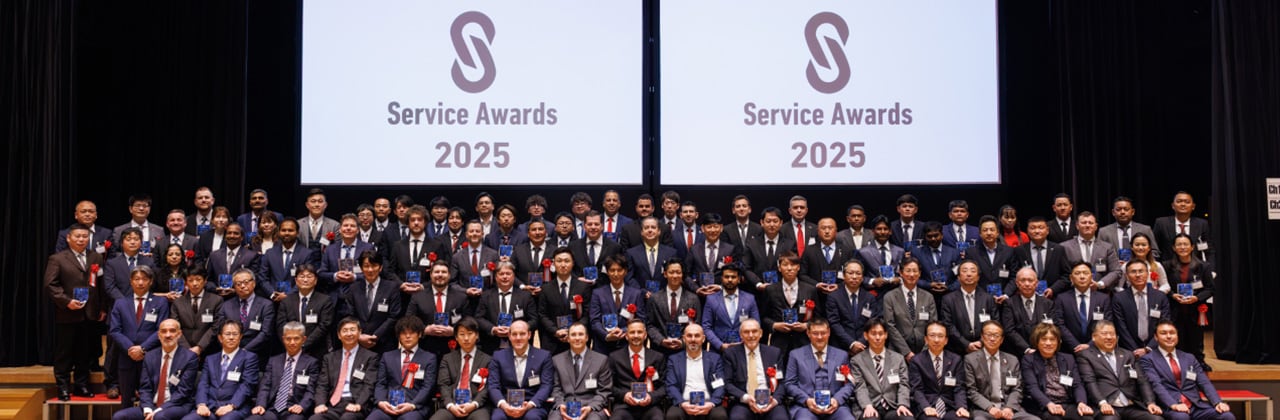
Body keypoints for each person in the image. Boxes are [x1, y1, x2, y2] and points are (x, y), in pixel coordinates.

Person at [45, 224, 108, 400]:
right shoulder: (57, 259)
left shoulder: (96, 257)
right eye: (77, 236)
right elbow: (50, 284)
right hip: (68, 313)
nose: (81, 239)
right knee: (64, 353)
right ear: (69, 238)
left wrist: (102, 307)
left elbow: (101, 284)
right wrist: (67, 302)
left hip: (90, 312)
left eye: (84, 236)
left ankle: (82, 385)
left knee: (84, 353)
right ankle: (63, 387)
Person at [1139, 322, 1234, 420]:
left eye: (1172, 333)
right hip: (1169, 407)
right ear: (1156, 337)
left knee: (1226, 416)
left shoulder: (1189, 358)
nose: (1169, 336)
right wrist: (1173, 404)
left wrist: (1217, 402)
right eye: (1163, 333)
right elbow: (1156, 385)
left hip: (1195, 406)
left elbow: (1204, 382)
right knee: (1181, 417)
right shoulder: (1148, 359)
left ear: (1177, 336)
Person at [111, 319, 200, 420]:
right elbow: (145, 388)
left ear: (179, 334)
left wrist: (160, 410)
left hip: (178, 405)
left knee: (160, 417)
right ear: (159, 335)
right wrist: (148, 409)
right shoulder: (149, 356)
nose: (168, 335)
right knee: (119, 416)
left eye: (172, 331)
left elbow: (183, 392)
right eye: (164, 331)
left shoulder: (189, 357)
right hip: (152, 405)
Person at [109, 266, 171, 408]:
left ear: (150, 281)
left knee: (150, 401)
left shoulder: (160, 302)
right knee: (126, 402)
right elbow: (115, 330)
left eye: (144, 279)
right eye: (137, 279)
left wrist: (142, 348)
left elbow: (161, 330)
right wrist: (131, 349)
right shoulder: (120, 303)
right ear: (131, 282)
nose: (140, 282)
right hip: (126, 357)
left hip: (150, 357)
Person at [1074, 321, 1163, 420]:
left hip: (1131, 405)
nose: (1109, 337)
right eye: (1104, 333)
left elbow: (1142, 381)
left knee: (1156, 418)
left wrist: (1150, 403)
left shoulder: (1128, 355)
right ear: (1094, 337)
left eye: (1112, 334)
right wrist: (1102, 402)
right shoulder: (1086, 355)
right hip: (1105, 405)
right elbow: (1090, 381)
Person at [962, 321, 1037, 420]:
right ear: (982, 337)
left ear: (1001, 340)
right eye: (989, 335)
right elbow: (971, 391)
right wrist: (989, 407)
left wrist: (1009, 407)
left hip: (1009, 408)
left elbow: (1017, 389)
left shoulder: (1012, 360)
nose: (992, 339)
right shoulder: (970, 360)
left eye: (996, 336)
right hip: (983, 409)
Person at [188, 320, 260, 420]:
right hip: (210, 406)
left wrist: (231, 405)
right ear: (220, 338)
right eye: (227, 334)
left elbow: (247, 385)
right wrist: (201, 404)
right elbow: (203, 383)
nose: (231, 337)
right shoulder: (210, 359)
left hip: (236, 408)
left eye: (235, 334)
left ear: (240, 337)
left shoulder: (249, 358)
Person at [368, 316, 437, 420]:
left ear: (419, 334)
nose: (407, 336)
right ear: (398, 336)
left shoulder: (429, 358)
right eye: (404, 333)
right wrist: (381, 402)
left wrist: (413, 405)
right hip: (388, 406)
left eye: (412, 333)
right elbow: (381, 384)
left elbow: (427, 387)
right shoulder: (387, 356)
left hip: (414, 407)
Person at [248, 322, 322, 420]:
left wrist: (302, 406)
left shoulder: (311, 363)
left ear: (303, 339)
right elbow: (265, 386)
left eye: (296, 338)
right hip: (273, 408)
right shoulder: (274, 361)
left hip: (295, 408)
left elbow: (311, 390)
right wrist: (260, 405)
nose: (292, 342)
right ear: (283, 339)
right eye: (288, 339)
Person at [783, 318, 853, 420]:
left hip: (836, 408)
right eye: (815, 333)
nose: (820, 337)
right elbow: (789, 384)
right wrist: (807, 400)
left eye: (823, 333)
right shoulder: (796, 355)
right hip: (806, 408)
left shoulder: (842, 355)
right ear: (808, 333)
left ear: (829, 332)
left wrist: (837, 400)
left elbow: (849, 384)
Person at [1019, 324, 1093, 420]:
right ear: (1036, 341)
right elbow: (1032, 387)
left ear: (1058, 342)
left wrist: (1081, 403)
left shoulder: (1068, 358)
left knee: (1086, 418)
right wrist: (1049, 404)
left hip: (1067, 403)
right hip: (1043, 405)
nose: (1048, 343)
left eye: (1052, 339)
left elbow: (1077, 384)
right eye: (1044, 339)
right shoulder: (1029, 360)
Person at [312, 318, 381, 420]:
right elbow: (322, 385)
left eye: (352, 330)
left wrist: (358, 404)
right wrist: (320, 404)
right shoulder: (329, 358)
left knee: (347, 418)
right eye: (345, 331)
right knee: (315, 419)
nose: (349, 334)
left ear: (359, 332)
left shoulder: (370, 357)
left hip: (356, 404)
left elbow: (369, 385)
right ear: (339, 335)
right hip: (333, 405)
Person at [1162, 234, 1214, 370]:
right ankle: (1176, 365)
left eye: (1185, 244)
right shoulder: (1166, 266)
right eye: (1179, 244)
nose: (1182, 247)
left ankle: (1199, 362)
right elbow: (1163, 286)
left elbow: (1210, 289)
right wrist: (1173, 295)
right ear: (1174, 248)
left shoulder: (1203, 266)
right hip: (1175, 309)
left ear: (1192, 247)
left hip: (1196, 309)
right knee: (1177, 339)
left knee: (1196, 339)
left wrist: (1197, 298)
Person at [487, 320, 555, 420]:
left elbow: (546, 386)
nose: (518, 338)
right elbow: (493, 386)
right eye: (514, 334)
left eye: (522, 334)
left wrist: (529, 405)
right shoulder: (498, 356)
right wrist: (504, 405)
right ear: (509, 336)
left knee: (532, 417)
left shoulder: (544, 356)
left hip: (532, 404)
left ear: (529, 335)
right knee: (498, 417)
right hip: (506, 403)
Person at [849, 319, 914, 420]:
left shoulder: (898, 358)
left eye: (881, 334)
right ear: (866, 335)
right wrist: (867, 405)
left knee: (907, 418)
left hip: (893, 406)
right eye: (873, 334)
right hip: (870, 405)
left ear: (886, 335)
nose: (877, 338)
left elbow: (904, 384)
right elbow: (860, 386)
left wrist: (902, 404)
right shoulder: (857, 361)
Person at [721, 319, 785, 420]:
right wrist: (746, 398)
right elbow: (727, 383)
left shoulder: (774, 353)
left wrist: (775, 400)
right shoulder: (731, 354)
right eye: (746, 332)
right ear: (741, 335)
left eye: (754, 331)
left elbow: (782, 382)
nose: (751, 335)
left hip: (771, 401)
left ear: (761, 333)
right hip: (743, 402)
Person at [431, 317, 493, 420]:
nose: (466, 338)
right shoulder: (447, 359)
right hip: (452, 406)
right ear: (456, 337)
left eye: (470, 333)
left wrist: (474, 404)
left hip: (476, 406)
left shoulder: (487, 360)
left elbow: (488, 387)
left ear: (477, 335)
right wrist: (450, 405)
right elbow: (443, 385)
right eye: (462, 334)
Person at [405, 261, 470, 359]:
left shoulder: (461, 297)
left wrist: (455, 331)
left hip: (453, 350)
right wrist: (424, 330)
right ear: (431, 275)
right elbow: (408, 320)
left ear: (449, 275)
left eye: (444, 272)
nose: (440, 275)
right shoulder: (417, 297)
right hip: (425, 348)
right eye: (436, 272)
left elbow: (469, 321)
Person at [907, 322, 970, 420]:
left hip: (950, 407)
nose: (936, 340)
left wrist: (961, 407)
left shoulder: (956, 360)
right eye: (932, 335)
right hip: (927, 406)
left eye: (940, 336)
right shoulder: (917, 361)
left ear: (946, 340)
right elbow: (917, 389)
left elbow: (959, 388)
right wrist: (926, 407)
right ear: (926, 339)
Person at [342, 251, 403, 353]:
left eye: (374, 265)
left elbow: (394, 316)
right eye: (366, 266)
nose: (370, 270)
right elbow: (350, 315)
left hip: (385, 343)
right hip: (359, 342)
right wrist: (359, 335)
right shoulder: (354, 289)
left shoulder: (392, 287)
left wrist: (376, 336)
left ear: (380, 267)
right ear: (361, 268)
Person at [664, 324, 728, 420]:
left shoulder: (715, 359)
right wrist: (682, 403)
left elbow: (720, 385)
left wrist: (711, 403)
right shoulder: (674, 359)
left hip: (708, 403)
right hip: (683, 403)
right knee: (672, 416)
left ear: (703, 339)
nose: (693, 339)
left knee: (720, 416)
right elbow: (671, 385)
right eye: (689, 336)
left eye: (697, 336)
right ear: (684, 339)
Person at [608, 319, 667, 420]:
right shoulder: (614, 357)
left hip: (650, 406)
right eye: (632, 332)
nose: (636, 335)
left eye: (639, 332)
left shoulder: (657, 357)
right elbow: (609, 385)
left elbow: (664, 386)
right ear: (626, 336)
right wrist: (624, 395)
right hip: (624, 406)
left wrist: (651, 397)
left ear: (645, 335)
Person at [539, 248, 594, 355]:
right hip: (552, 340)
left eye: (567, 261)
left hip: (577, 339)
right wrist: (555, 331)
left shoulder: (583, 287)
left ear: (573, 263)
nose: (563, 265)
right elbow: (542, 314)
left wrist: (573, 331)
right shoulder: (546, 288)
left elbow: (587, 314)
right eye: (559, 261)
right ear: (553, 264)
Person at [551, 323, 612, 420]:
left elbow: (604, 391)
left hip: (591, 407)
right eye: (573, 335)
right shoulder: (557, 360)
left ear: (587, 337)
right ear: (568, 338)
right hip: (564, 406)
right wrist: (560, 404)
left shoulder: (601, 360)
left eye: (580, 334)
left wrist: (591, 407)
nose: (577, 338)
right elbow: (556, 389)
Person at [477, 262, 540, 354]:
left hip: (519, 346)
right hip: (492, 346)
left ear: (513, 276)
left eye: (508, 273)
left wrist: (516, 329)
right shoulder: (486, 296)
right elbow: (479, 318)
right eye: (501, 274)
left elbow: (534, 320)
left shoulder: (526, 296)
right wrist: (493, 329)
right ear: (496, 277)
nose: (505, 277)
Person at [1111, 261, 1170, 359]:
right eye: (1133, 272)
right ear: (1127, 276)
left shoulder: (1160, 297)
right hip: (1128, 351)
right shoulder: (1119, 298)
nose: (1138, 275)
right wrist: (1135, 351)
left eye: (1141, 271)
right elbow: (1121, 327)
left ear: (1147, 274)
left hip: (1156, 349)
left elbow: (1164, 324)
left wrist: (1148, 348)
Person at [589, 255, 646, 353]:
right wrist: (606, 335)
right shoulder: (597, 293)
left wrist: (623, 331)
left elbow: (641, 319)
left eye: (619, 270)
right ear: (607, 272)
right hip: (603, 346)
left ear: (625, 271)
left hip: (627, 345)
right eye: (612, 270)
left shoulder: (636, 294)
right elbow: (594, 321)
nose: (616, 274)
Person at [882, 257, 937, 359]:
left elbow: (933, 325)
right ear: (901, 273)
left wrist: (923, 353)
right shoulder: (890, 297)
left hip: (925, 352)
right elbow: (890, 326)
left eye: (915, 271)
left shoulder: (928, 297)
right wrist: (906, 352)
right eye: (908, 271)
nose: (912, 274)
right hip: (897, 352)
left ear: (919, 273)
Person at [939, 260, 998, 355]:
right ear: (958, 277)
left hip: (985, 348)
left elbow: (995, 323)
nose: (969, 274)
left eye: (973, 271)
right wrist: (966, 344)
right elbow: (948, 325)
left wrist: (981, 342)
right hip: (957, 351)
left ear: (978, 277)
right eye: (965, 271)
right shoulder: (948, 299)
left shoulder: (988, 299)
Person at [1052, 263, 1112, 353]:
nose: (1082, 277)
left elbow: (1106, 324)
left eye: (1085, 273)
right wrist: (1076, 346)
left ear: (1091, 277)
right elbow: (1059, 325)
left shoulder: (1103, 299)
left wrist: (1090, 345)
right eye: (1077, 273)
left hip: (1097, 350)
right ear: (1071, 278)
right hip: (1070, 351)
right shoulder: (1061, 299)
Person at [277, 264, 335, 359]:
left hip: (316, 351)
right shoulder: (286, 301)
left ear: (315, 280)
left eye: (309, 276)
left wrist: (303, 344)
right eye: (302, 276)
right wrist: (291, 343)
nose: (305, 280)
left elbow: (324, 326)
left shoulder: (325, 300)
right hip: (291, 349)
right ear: (296, 280)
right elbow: (281, 326)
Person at [646, 258, 701, 356]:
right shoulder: (654, 298)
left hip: (685, 351)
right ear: (665, 274)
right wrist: (661, 340)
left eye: (678, 272)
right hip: (660, 351)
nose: (675, 276)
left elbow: (697, 324)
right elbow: (650, 325)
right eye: (671, 272)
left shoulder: (693, 298)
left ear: (682, 275)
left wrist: (683, 342)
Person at [700, 263, 759, 353]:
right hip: (718, 351)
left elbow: (756, 324)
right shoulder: (711, 299)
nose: (730, 280)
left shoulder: (750, 299)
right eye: (726, 277)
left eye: (733, 277)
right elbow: (706, 327)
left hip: (744, 349)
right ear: (721, 279)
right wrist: (720, 345)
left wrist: (745, 342)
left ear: (739, 279)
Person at [825, 260, 879, 356]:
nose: (854, 277)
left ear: (862, 277)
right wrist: (851, 343)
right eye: (850, 273)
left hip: (864, 347)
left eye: (858, 273)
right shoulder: (834, 297)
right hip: (840, 347)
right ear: (844, 275)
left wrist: (861, 343)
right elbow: (834, 323)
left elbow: (872, 323)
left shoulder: (869, 298)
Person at [219, 269, 275, 360]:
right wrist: (233, 349)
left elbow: (265, 333)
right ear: (234, 286)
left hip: (257, 354)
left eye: (246, 282)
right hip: (231, 353)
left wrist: (244, 351)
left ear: (254, 283)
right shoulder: (226, 305)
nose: (242, 286)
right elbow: (220, 331)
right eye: (238, 284)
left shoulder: (266, 305)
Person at [259, 218, 321, 302]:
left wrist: (288, 296)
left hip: (296, 300)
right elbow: (262, 278)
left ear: (297, 232)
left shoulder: (307, 254)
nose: (287, 233)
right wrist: (272, 294)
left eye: (290, 230)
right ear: (279, 232)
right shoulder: (270, 253)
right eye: (283, 230)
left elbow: (306, 279)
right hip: (272, 300)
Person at [1058, 212, 1123, 291]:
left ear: (1096, 226)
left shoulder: (1107, 247)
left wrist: (1099, 284)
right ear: (1077, 226)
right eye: (1084, 223)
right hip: (1072, 291)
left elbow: (1116, 271)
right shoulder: (1064, 247)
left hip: (1100, 292)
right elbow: (1060, 272)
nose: (1087, 225)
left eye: (1090, 223)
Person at [318, 215, 375, 301]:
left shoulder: (368, 248)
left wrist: (355, 277)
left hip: (360, 296)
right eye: (345, 225)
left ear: (358, 230)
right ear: (340, 230)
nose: (348, 228)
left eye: (352, 226)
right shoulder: (330, 249)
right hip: (334, 297)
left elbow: (374, 273)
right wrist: (335, 276)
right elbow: (322, 273)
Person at [171, 267, 224, 357]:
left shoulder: (216, 300)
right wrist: (188, 349)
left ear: (205, 281)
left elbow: (216, 327)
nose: (194, 283)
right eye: (190, 280)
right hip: (183, 350)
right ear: (185, 283)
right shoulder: (178, 302)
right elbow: (175, 327)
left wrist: (199, 347)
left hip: (209, 350)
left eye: (198, 279)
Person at [741, 207, 796, 294]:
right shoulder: (751, 244)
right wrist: (758, 284)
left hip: (783, 292)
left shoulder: (790, 244)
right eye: (768, 221)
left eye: (775, 221)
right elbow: (746, 268)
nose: (772, 224)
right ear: (762, 222)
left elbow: (794, 267)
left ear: (781, 223)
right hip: (757, 292)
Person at [1001, 268, 1055, 355]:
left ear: (1036, 283)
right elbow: (1009, 330)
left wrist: (1041, 347)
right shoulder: (1009, 303)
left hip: (1043, 352)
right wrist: (1026, 349)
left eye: (1030, 280)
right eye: (1023, 280)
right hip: (1018, 353)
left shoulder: (1047, 303)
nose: (1027, 284)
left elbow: (1052, 328)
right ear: (1017, 283)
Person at [1152, 192, 1212, 266]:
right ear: (1173, 206)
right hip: (1168, 268)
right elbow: (1155, 248)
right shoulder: (1161, 223)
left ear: (1193, 206)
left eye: (1187, 202)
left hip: (1195, 268)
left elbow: (1209, 249)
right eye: (1179, 201)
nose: (1183, 204)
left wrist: (1211, 269)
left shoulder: (1202, 224)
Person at [686, 213, 738, 297]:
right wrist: (696, 289)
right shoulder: (694, 249)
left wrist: (721, 287)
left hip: (723, 295)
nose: (713, 230)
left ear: (721, 228)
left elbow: (736, 274)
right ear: (703, 228)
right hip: (699, 296)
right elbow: (686, 274)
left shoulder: (730, 249)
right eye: (709, 227)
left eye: (716, 226)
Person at [1015, 217, 1067, 299]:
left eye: (1041, 228)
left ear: (1047, 230)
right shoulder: (1020, 250)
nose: (1037, 231)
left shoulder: (1058, 249)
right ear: (1027, 231)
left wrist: (1053, 289)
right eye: (1033, 228)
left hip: (1054, 297)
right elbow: (1015, 275)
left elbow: (1066, 275)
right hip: (1027, 296)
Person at [207, 223, 261, 296]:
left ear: (242, 237)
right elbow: (208, 280)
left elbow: (254, 280)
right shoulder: (214, 255)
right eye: (229, 233)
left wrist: (236, 290)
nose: (232, 236)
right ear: (225, 236)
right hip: (217, 297)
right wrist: (215, 289)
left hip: (241, 297)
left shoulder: (251, 256)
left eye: (236, 233)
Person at [625, 217, 679, 289]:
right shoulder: (631, 253)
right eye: (646, 228)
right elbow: (629, 277)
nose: (650, 230)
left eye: (653, 227)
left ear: (659, 231)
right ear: (642, 232)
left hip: (664, 294)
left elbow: (674, 276)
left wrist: (663, 293)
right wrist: (642, 292)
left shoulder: (671, 253)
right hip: (640, 294)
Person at [970, 216, 1019, 293]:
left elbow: (1014, 276)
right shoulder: (971, 253)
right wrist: (982, 296)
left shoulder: (1009, 251)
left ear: (997, 233)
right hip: (980, 297)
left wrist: (1006, 294)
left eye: (992, 230)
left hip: (1004, 296)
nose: (989, 233)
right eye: (985, 230)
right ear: (980, 233)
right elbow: (970, 277)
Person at [856, 215, 904, 292]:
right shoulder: (863, 252)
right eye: (879, 229)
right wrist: (872, 281)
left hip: (896, 293)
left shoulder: (900, 251)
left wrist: (900, 279)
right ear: (873, 231)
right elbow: (857, 276)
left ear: (890, 231)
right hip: (874, 293)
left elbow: (905, 273)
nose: (882, 232)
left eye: (885, 229)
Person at [570, 211, 622, 277]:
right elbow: (570, 270)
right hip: (579, 283)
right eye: (589, 224)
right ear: (584, 226)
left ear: (602, 226)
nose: (593, 227)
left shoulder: (614, 247)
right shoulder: (573, 246)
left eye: (596, 224)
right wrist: (577, 279)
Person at [918, 222, 962, 297]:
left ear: (942, 235)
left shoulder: (954, 253)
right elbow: (912, 277)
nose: (933, 239)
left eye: (936, 235)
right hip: (925, 295)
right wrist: (928, 285)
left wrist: (949, 288)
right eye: (929, 236)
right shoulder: (917, 253)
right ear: (925, 237)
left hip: (951, 295)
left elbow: (960, 276)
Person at [450, 220, 499, 287]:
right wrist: (466, 291)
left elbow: (498, 280)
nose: (474, 234)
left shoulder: (493, 255)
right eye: (471, 231)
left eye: (477, 231)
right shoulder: (457, 257)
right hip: (464, 293)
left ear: (482, 234)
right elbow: (452, 283)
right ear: (466, 235)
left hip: (487, 293)